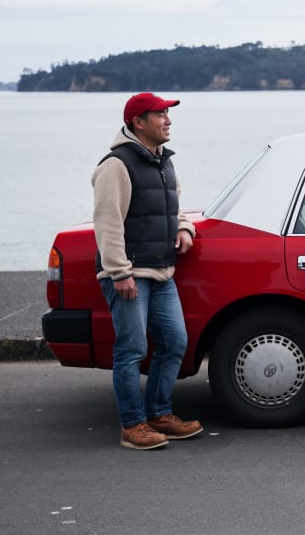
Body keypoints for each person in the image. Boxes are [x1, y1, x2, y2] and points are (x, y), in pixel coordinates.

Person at [93, 92, 203, 450]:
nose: (168, 120)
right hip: (129, 274)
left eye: (168, 114)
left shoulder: (163, 162)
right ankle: (132, 425)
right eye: (160, 114)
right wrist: (119, 272)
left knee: (175, 343)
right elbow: (107, 222)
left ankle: (158, 414)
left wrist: (184, 228)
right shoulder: (116, 165)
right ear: (138, 122)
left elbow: (174, 208)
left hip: (161, 272)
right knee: (131, 349)